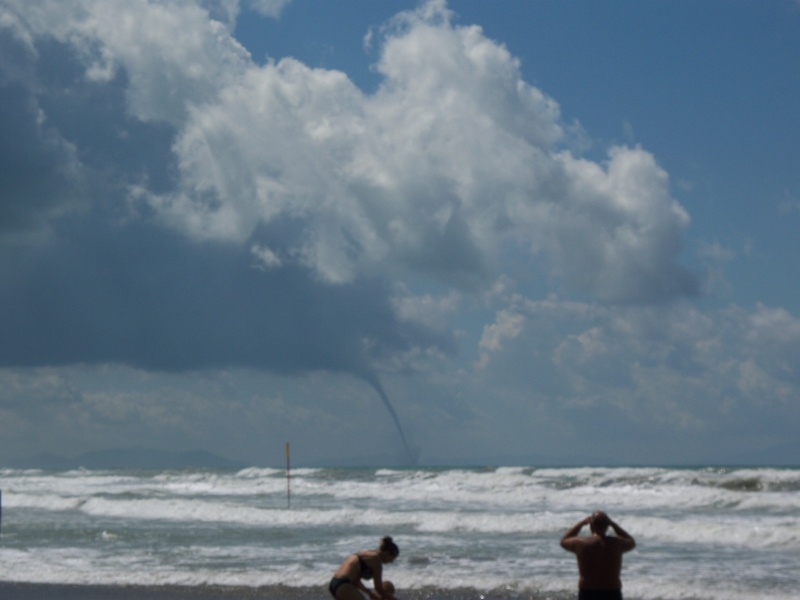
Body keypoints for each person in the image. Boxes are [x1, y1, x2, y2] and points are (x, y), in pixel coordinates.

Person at [560, 511, 636, 600]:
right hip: (611, 591)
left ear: (591, 525)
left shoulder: (581, 543)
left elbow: (564, 540)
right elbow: (631, 542)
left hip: (588, 591)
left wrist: (581, 523)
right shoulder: (616, 543)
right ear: (607, 526)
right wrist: (613, 524)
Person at [329, 536, 400, 600]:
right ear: (387, 553)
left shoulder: (366, 554)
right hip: (344, 585)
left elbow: (355, 580)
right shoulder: (376, 560)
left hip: (334, 584)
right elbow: (379, 589)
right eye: (392, 559)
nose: (391, 562)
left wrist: (369, 593)